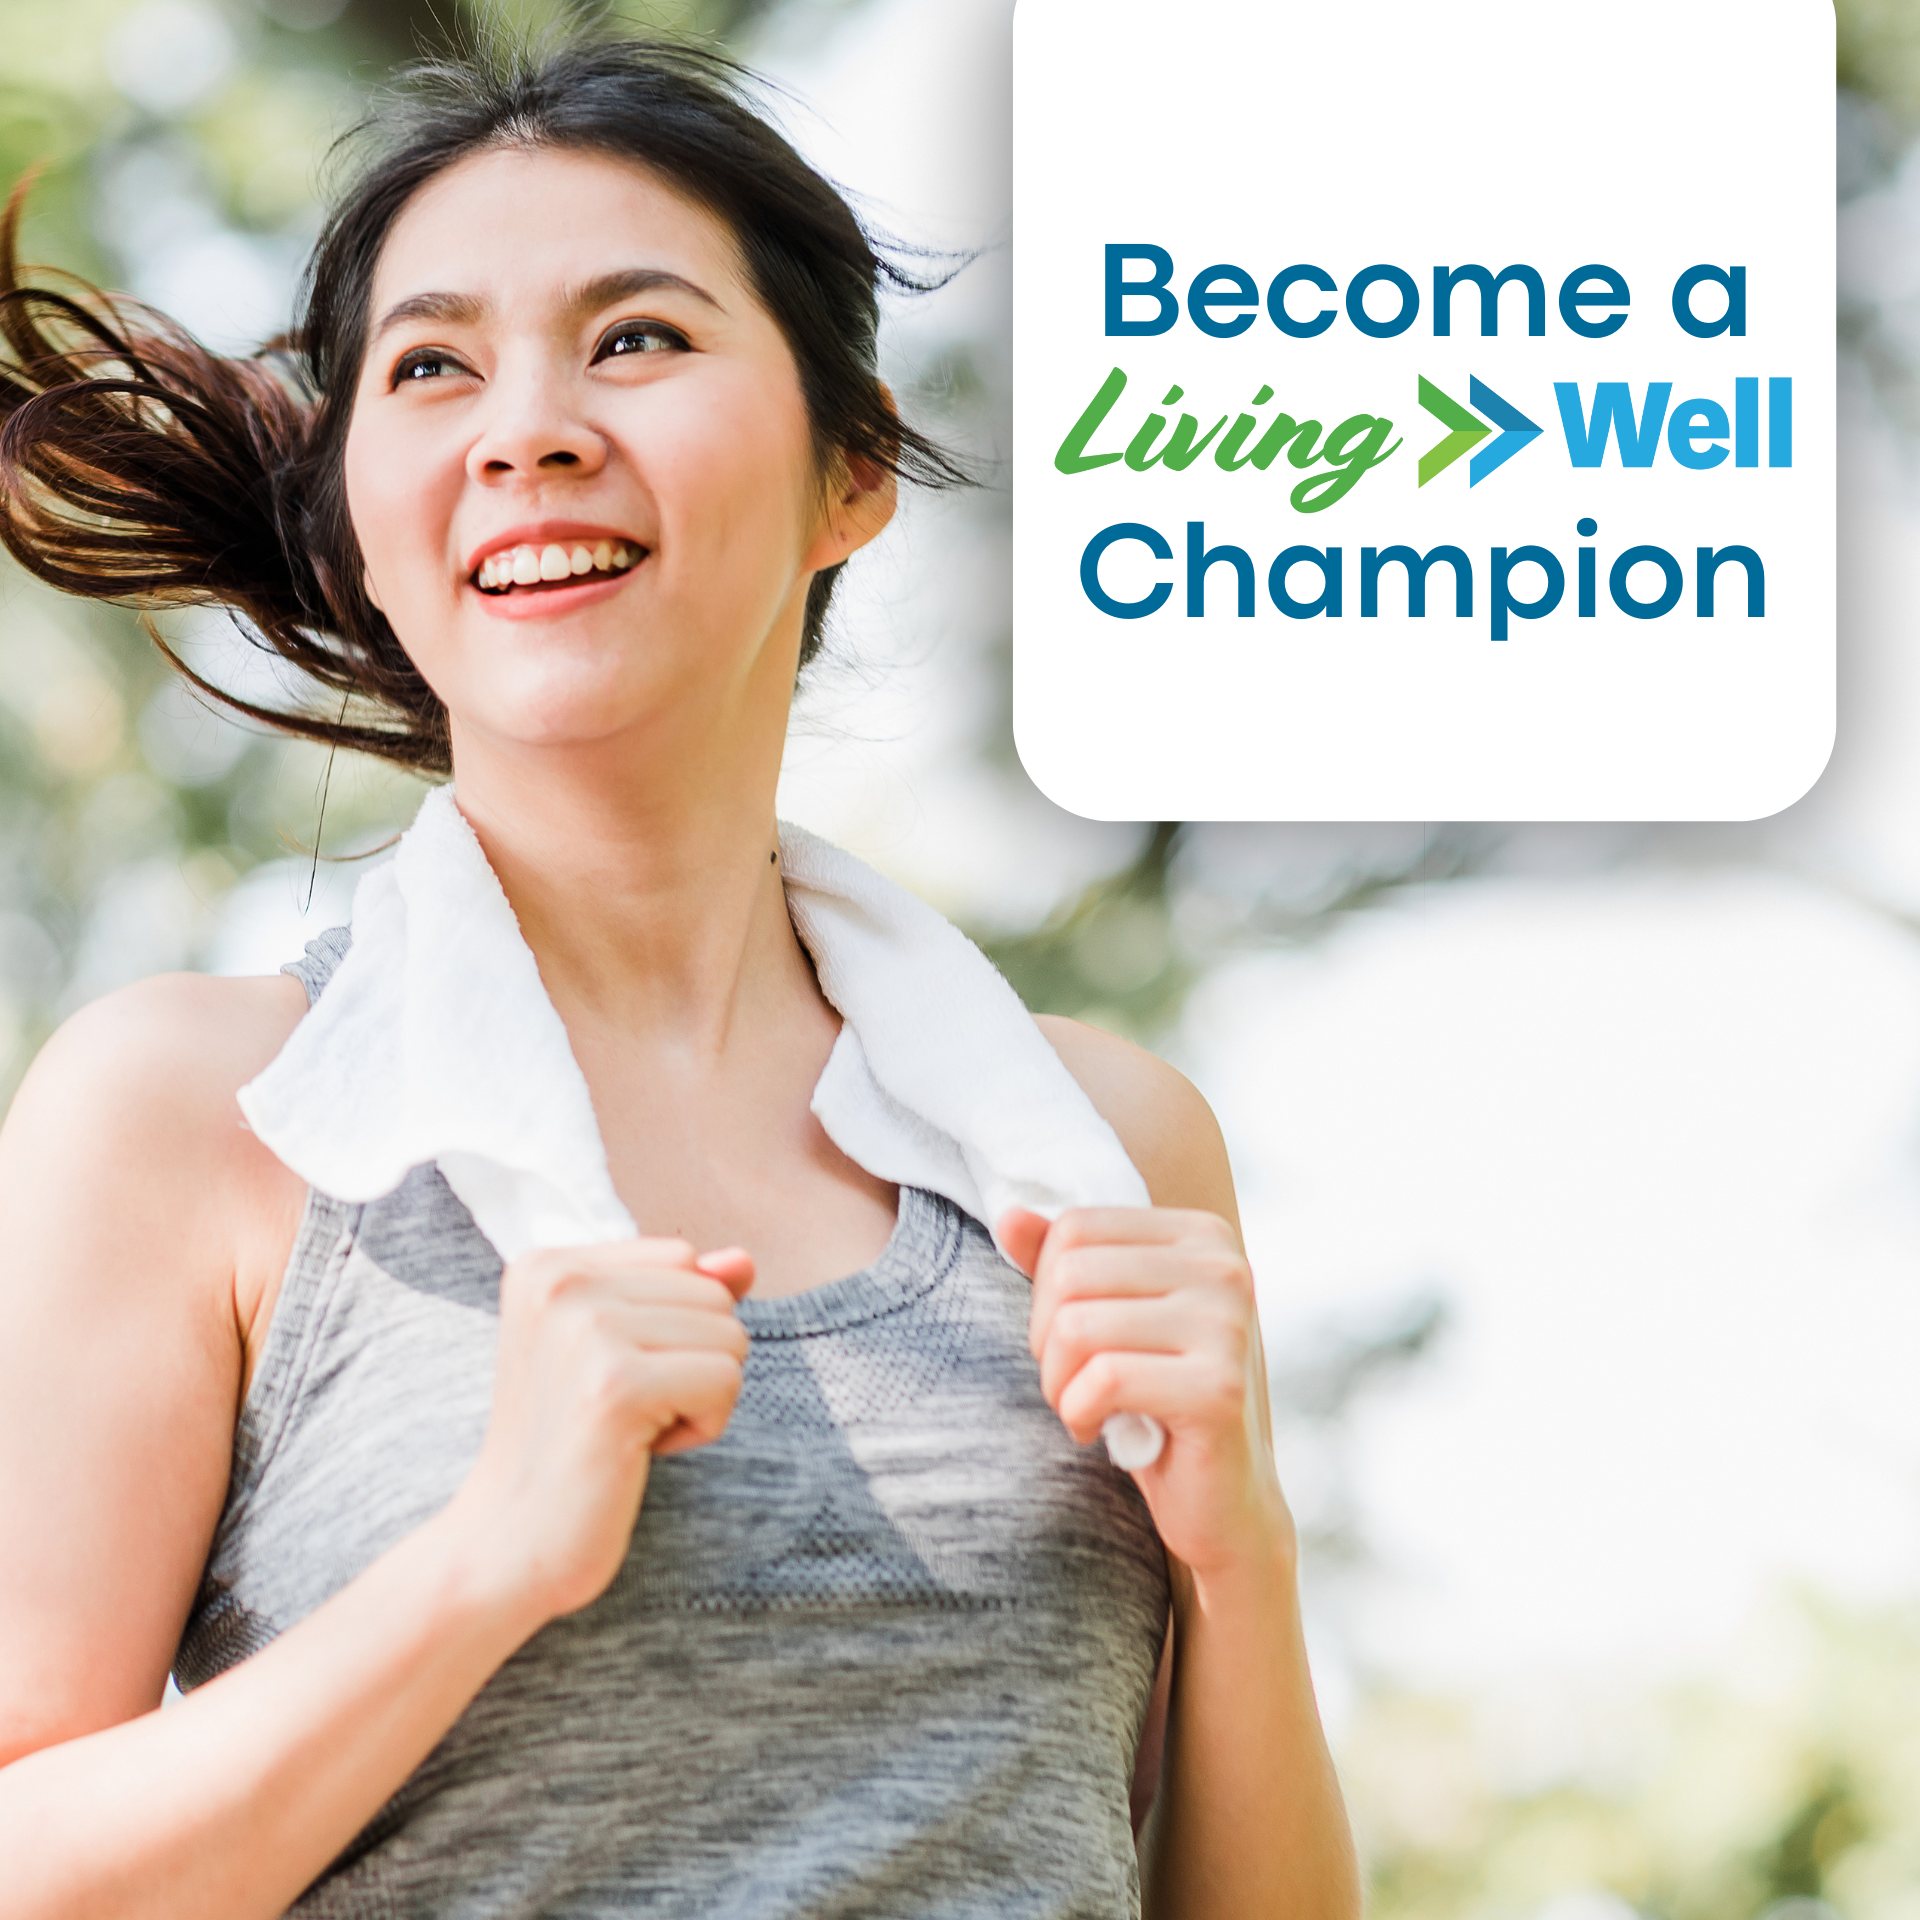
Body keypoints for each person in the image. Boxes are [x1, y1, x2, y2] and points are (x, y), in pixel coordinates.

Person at [0, 35, 1358, 1920]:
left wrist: (1246, 1558)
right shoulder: (192, 1113)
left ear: (853, 468)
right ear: (357, 524)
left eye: (635, 338)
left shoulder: (1103, 1151)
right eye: (432, 365)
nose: (526, 426)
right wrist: (485, 1558)